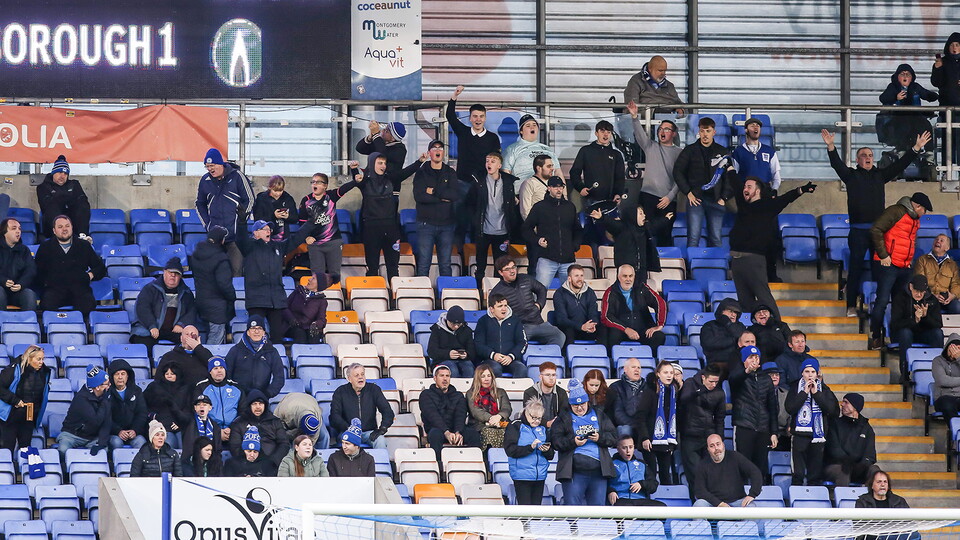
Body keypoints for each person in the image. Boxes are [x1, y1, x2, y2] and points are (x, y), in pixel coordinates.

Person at [821, 129, 932, 317]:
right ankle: (850, 305)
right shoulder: (851, 176)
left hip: (879, 234)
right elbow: (836, 165)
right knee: (855, 269)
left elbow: (900, 165)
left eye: (871, 155)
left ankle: (876, 305)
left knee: (880, 270)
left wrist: (916, 148)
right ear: (857, 160)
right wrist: (831, 146)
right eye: (863, 155)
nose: (868, 158)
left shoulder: (880, 175)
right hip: (857, 232)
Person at [730, 177, 816, 318]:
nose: (745, 189)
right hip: (736, 261)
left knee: (764, 297)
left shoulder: (767, 205)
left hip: (753, 260)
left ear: (757, 191)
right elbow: (735, 183)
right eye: (745, 186)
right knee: (744, 301)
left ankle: (778, 329)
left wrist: (801, 190)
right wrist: (730, 170)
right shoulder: (743, 205)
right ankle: (750, 334)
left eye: (749, 187)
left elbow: (785, 199)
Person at [869, 193, 934, 349]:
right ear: (918, 206)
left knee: (901, 305)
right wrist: (884, 255)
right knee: (882, 302)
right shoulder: (896, 211)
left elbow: (907, 242)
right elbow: (875, 230)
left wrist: (908, 261)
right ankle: (876, 337)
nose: (924, 214)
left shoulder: (914, 219)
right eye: (924, 210)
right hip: (887, 265)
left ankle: (897, 338)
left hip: (904, 267)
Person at [238, 219, 309, 342]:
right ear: (256, 233)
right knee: (256, 337)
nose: (268, 231)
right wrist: (241, 221)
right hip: (256, 300)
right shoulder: (249, 247)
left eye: (269, 229)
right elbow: (240, 238)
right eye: (264, 229)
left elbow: (297, 238)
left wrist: (311, 222)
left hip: (276, 301)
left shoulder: (278, 247)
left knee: (277, 337)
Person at [551, 378, 617, 506]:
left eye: (582, 404)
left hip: (598, 472)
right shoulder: (563, 418)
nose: (580, 408)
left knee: (598, 510)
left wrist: (599, 438)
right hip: (574, 472)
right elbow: (555, 441)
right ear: (570, 404)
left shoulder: (599, 414)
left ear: (587, 402)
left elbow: (613, 437)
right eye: (575, 405)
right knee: (572, 509)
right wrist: (573, 442)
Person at [732, 118, 785, 280]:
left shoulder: (769, 151)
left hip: (766, 200)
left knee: (770, 236)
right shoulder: (739, 152)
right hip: (748, 201)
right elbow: (734, 175)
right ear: (746, 130)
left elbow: (776, 175)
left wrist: (773, 191)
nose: (756, 128)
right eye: (752, 125)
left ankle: (771, 273)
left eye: (758, 126)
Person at [356, 152, 422, 281]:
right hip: (371, 228)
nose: (383, 166)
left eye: (384, 163)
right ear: (372, 164)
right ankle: (374, 294)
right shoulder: (365, 182)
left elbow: (406, 172)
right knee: (372, 266)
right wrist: (353, 170)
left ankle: (394, 296)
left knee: (393, 266)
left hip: (391, 228)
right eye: (380, 163)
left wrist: (419, 161)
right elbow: (357, 182)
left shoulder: (391, 179)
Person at [674, 117, 736, 248]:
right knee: (693, 238)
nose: (705, 134)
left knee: (716, 239)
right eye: (702, 131)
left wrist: (724, 197)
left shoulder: (723, 152)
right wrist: (688, 193)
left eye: (708, 131)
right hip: (696, 200)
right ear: (699, 132)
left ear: (714, 132)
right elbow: (677, 172)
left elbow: (730, 177)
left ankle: (717, 267)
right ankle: (691, 268)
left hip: (716, 200)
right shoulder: (690, 150)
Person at [627, 101, 682, 246]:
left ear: (674, 133)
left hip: (668, 200)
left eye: (667, 129)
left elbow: (681, 178)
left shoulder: (680, 153)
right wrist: (634, 117)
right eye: (660, 129)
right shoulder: (650, 146)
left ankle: (666, 265)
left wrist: (670, 197)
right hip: (647, 196)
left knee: (665, 235)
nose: (662, 132)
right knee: (645, 233)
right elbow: (640, 136)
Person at [196, 148, 254, 276]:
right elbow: (199, 204)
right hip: (215, 238)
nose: (210, 169)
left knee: (236, 272)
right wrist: (208, 225)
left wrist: (242, 221)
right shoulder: (205, 180)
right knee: (214, 273)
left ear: (220, 164)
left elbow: (250, 199)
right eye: (207, 166)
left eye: (212, 165)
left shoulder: (238, 176)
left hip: (235, 237)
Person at [34, 215, 106, 315]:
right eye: (60, 227)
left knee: (88, 305)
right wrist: (48, 281)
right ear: (54, 230)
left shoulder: (84, 246)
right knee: (47, 305)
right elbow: (37, 272)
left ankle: (82, 329)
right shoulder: (45, 247)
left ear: (72, 227)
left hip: (80, 289)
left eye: (67, 226)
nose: (64, 229)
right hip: (55, 290)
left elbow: (100, 268)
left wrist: (90, 275)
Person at [569, 120, 625, 247]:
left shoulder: (616, 154)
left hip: (611, 202)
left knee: (612, 236)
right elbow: (574, 172)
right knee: (592, 234)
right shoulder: (586, 151)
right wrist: (581, 187)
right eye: (602, 131)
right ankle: (593, 262)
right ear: (596, 133)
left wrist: (618, 194)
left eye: (608, 132)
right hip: (591, 200)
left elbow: (620, 178)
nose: (606, 134)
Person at [785, 358, 839, 486]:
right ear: (802, 373)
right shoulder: (794, 388)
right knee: (797, 474)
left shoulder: (824, 390)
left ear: (817, 373)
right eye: (807, 371)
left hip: (817, 437)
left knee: (814, 475)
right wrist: (804, 393)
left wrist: (816, 394)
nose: (810, 375)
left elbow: (831, 410)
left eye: (813, 372)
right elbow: (790, 408)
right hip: (799, 436)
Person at [490, 256, 566, 348]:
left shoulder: (525, 279)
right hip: (520, 326)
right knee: (515, 344)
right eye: (508, 269)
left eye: (514, 267)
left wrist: (539, 305)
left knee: (559, 335)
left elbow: (541, 289)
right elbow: (495, 314)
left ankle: (546, 359)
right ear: (500, 272)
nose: (512, 271)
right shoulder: (497, 291)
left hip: (538, 322)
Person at [728, 346, 779, 483]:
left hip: (763, 428)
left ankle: (759, 497)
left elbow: (772, 408)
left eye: (756, 357)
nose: (754, 360)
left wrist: (774, 432)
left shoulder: (766, 379)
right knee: (742, 466)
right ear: (744, 360)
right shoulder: (738, 375)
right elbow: (733, 380)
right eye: (751, 357)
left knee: (760, 468)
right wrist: (746, 371)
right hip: (744, 426)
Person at [468, 152, 520, 285]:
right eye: (487, 161)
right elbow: (471, 204)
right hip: (483, 231)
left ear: (499, 165)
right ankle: (479, 292)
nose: (489, 163)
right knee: (480, 266)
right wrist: (474, 221)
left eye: (492, 161)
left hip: (502, 231)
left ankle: (498, 292)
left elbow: (511, 206)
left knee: (501, 267)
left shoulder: (508, 182)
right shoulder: (478, 181)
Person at [297, 170, 359, 277]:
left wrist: (355, 181)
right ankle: (319, 293)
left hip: (333, 242)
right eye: (312, 182)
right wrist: (306, 237)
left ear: (325, 186)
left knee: (334, 274)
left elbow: (343, 189)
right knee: (317, 275)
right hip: (315, 243)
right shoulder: (306, 201)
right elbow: (302, 222)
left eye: (317, 182)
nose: (314, 184)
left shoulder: (331, 196)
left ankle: (334, 293)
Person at [523, 175, 583, 287]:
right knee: (540, 292)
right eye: (555, 187)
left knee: (570, 293)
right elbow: (526, 229)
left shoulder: (570, 207)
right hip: (546, 258)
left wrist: (575, 245)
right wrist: (537, 240)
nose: (559, 190)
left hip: (568, 259)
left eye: (561, 187)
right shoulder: (539, 207)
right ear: (549, 188)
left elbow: (577, 229)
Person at [413, 140, 460, 277]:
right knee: (423, 263)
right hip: (426, 224)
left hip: (447, 224)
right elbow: (419, 196)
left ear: (443, 153)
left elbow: (454, 195)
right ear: (429, 153)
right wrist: (442, 197)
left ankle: (446, 295)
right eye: (434, 148)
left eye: (440, 148)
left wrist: (432, 192)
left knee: (445, 264)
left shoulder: (450, 172)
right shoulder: (421, 172)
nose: (438, 150)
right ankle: (422, 296)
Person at [677, 363, 725, 494]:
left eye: (716, 382)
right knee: (694, 472)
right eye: (711, 381)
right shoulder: (690, 383)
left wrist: (719, 438)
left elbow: (720, 418)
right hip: (690, 436)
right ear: (703, 377)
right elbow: (683, 399)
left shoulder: (719, 393)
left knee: (709, 473)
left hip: (708, 437)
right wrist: (700, 391)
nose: (714, 385)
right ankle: (697, 501)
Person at [130, 257, 197, 349]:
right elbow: (143, 309)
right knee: (144, 345)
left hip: (173, 330)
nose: (173, 276)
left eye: (177, 274)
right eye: (170, 272)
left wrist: (181, 324)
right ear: (164, 272)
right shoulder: (149, 289)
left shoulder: (186, 293)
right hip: (149, 329)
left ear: (180, 277)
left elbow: (191, 312)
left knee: (188, 343)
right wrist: (152, 326)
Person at [600, 264, 666, 355]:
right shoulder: (610, 292)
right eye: (625, 276)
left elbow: (660, 303)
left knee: (659, 336)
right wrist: (625, 329)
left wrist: (659, 325)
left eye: (631, 276)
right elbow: (606, 317)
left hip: (642, 329)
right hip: (621, 331)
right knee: (612, 334)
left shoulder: (642, 288)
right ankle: (614, 365)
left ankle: (649, 363)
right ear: (618, 277)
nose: (628, 279)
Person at [878, 64, 939, 160]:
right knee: (903, 125)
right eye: (902, 74)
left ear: (912, 77)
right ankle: (901, 150)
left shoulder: (915, 87)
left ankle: (929, 152)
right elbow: (883, 98)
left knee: (926, 125)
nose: (905, 76)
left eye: (908, 74)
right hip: (898, 117)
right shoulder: (893, 87)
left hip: (916, 117)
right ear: (897, 77)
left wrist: (933, 96)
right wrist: (895, 97)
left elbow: (927, 94)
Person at [420, 365, 481, 460]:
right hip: (437, 429)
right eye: (441, 376)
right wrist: (446, 432)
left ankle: (474, 463)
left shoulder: (458, 395)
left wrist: (458, 432)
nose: (445, 379)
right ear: (435, 378)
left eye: (447, 376)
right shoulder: (426, 395)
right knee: (435, 435)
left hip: (455, 429)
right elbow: (432, 416)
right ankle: (439, 467)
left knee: (473, 435)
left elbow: (460, 415)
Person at [329, 364, 394, 450]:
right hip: (348, 432)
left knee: (380, 440)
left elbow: (387, 411)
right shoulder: (340, 391)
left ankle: (379, 463)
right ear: (349, 379)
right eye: (356, 375)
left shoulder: (373, 389)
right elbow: (334, 416)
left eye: (362, 374)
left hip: (369, 433)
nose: (361, 377)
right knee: (349, 442)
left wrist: (383, 428)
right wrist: (349, 428)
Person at [634, 361, 679, 484]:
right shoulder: (650, 391)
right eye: (665, 372)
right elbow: (640, 416)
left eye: (671, 373)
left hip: (667, 441)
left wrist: (673, 442)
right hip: (649, 439)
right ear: (658, 374)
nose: (669, 375)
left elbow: (675, 418)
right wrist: (644, 437)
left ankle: (666, 501)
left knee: (665, 474)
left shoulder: (674, 392)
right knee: (651, 474)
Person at [0, 345, 51, 454]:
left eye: (43, 359)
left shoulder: (44, 373)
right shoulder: (13, 370)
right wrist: (15, 400)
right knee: (7, 450)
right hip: (10, 417)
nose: (41, 362)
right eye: (38, 359)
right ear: (29, 358)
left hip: (29, 418)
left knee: (26, 451)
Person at [591, 204, 666, 279]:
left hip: (642, 271)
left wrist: (666, 219)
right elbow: (611, 223)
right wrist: (601, 217)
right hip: (625, 271)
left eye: (643, 213)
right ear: (632, 215)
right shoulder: (622, 227)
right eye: (640, 213)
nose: (644, 215)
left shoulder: (644, 229)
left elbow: (656, 225)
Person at [190, 226, 236, 345]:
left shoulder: (196, 254)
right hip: (217, 307)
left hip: (201, 301)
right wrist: (232, 297)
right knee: (215, 341)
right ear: (221, 240)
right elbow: (224, 284)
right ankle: (208, 362)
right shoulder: (221, 259)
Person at [504, 397, 555, 505]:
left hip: (540, 476)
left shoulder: (543, 429)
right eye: (534, 418)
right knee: (525, 510)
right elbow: (510, 450)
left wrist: (546, 450)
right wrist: (530, 447)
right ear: (526, 413)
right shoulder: (515, 426)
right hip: (522, 476)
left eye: (539, 418)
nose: (536, 421)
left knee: (536, 511)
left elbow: (551, 455)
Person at [447, 85, 502, 182]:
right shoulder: (463, 132)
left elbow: (496, 160)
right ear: (470, 118)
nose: (478, 119)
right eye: (475, 116)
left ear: (485, 118)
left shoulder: (492, 138)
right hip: (462, 181)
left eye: (481, 116)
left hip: (484, 182)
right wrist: (455, 95)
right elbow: (450, 115)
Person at [693, 434, 763, 507]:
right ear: (708, 449)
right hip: (714, 504)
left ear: (723, 444)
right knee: (698, 505)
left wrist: (752, 494)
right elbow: (700, 491)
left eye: (718, 444)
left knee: (751, 507)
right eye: (712, 446)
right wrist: (719, 504)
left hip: (738, 502)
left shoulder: (735, 457)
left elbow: (755, 472)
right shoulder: (702, 464)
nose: (716, 448)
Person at [891, 274, 943, 372]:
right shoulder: (900, 298)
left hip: (923, 334)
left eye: (922, 292)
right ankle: (905, 372)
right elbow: (895, 324)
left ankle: (937, 370)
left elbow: (938, 324)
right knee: (905, 333)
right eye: (916, 291)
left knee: (938, 333)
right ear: (911, 287)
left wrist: (925, 317)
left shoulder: (932, 300)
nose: (919, 294)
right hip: (904, 335)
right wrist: (914, 320)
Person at [225, 315, 285, 399]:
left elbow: (279, 378)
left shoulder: (272, 352)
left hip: (261, 399)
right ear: (248, 332)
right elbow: (227, 375)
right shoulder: (235, 351)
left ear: (264, 332)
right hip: (238, 398)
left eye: (259, 328)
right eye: (253, 328)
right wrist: (235, 393)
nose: (256, 332)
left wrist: (267, 394)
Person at [56, 365, 111, 457]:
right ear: (97, 387)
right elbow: (95, 421)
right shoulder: (81, 399)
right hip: (72, 435)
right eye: (107, 384)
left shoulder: (106, 397)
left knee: (102, 452)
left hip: (93, 437)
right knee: (63, 450)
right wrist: (105, 402)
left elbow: (107, 423)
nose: (109, 387)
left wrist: (101, 443)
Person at [825, 392, 876, 486]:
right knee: (843, 472)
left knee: (875, 471)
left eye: (846, 402)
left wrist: (863, 464)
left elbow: (870, 454)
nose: (842, 404)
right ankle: (844, 500)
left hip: (858, 468)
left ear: (855, 406)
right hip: (838, 466)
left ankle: (872, 500)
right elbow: (834, 449)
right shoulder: (835, 424)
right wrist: (847, 462)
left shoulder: (866, 428)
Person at [502, 115, 563, 193]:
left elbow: (558, 172)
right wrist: (511, 196)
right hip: (523, 193)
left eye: (534, 125)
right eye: (528, 125)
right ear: (521, 131)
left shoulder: (547, 149)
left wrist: (564, 196)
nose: (532, 127)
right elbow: (505, 174)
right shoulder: (512, 149)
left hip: (548, 194)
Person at [228, 390, 289, 467]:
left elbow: (284, 444)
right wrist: (250, 458)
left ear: (265, 405)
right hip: (246, 464)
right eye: (254, 404)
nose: (258, 407)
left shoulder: (274, 421)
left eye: (261, 403)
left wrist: (273, 461)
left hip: (271, 464)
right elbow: (235, 446)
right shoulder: (239, 423)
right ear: (249, 406)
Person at [36, 155, 92, 240]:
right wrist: (67, 198)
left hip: (74, 224)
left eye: (65, 174)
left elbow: (82, 200)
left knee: (82, 205)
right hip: (51, 226)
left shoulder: (74, 184)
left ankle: (82, 235)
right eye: (60, 172)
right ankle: (57, 236)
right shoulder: (43, 187)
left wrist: (60, 197)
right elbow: (46, 205)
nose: (62, 176)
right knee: (52, 206)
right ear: (53, 172)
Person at [474, 295, 528, 378]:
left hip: (511, 359)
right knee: (495, 369)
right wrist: (493, 355)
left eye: (505, 306)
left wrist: (511, 356)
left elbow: (522, 343)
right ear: (492, 309)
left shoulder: (515, 320)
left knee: (522, 369)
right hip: (490, 359)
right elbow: (478, 344)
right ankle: (496, 391)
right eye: (500, 306)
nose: (504, 309)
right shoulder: (483, 321)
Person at [552, 265, 604, 349]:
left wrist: (592, 324)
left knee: (603, 330)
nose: (580, 279)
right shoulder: (559, 294)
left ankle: (603, 359)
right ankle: (568, 359)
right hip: (570, 328)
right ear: (569, 278)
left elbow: (593, 313)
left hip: (587, 328)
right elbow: (561, 319)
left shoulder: (590, 292)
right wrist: (580, 326)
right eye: (576, 276)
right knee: (567, 331)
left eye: (581, 276)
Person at [196, 356, 244, 443]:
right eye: (215, 368)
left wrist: (231, 428)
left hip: (234, 430)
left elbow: (244, 412)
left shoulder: (236, 388)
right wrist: (217, 431)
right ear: (210, 371)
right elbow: (199, 413)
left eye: (221, 368)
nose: (219, 371)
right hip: (210, 430)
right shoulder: (201, 388)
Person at [355, 120, 409, 197]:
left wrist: (376, 135)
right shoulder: (380, 144)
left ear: (393, 138)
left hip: (389, 192)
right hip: (373, 189)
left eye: (386, 130)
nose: (382, 131)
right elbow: (360, 148)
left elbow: (382, 154)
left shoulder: (400, 149)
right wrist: (370, 137)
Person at [607, 435, 665, 506]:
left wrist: (642, 484)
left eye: (630, 447)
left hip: (641, 500)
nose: (628, 451)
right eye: (624, 448)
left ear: (634, 447)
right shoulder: (611, 464)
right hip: (621, 499)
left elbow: (653, 484)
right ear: (618, 449)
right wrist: (610, 491)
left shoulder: (642, 464)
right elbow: (602, 483)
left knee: (662, 507)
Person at [143, 361, 190, 449]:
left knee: (184, 447)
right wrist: (154, 417)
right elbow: (143, 405)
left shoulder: (185, 389)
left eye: (172, 373)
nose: (169, 375)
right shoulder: (154, 387)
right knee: (169, 444)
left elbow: (188, 410)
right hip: (160, 426)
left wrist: (179, 424)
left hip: (180, 426)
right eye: (166, 373)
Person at [931, 33, 960, 171]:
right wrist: (938, 69)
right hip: (946, 107)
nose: (954, 48)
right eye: (952, 45)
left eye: (957, 45)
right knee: (947, 140)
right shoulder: (942, 62)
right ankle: (945, 170)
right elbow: (936, 82)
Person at [466, 364, 512, 450]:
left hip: (500, 422)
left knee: (512, 430)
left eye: (488, 376)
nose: (486, 379)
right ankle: (489, 458)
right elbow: (476, 411)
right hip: (480, 424)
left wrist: (499, 416)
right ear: (478, 378)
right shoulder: (471, 393)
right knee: (489, 432)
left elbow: (507, 408)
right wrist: (491, 418)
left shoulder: (500, 392)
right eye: (483, 376)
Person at [155, 326, 214, 390]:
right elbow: (158, 379)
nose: (190, 337)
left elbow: (214, 366)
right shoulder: (169, 356)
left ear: (198, 339)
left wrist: (198, 348)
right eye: (187, 334)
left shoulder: (205, 353)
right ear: (181, 338)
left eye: (193, 335)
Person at [106, 359, 148, 450]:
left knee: (141, 442)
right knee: (116, 442)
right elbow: (105, 416)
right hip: (114, 434)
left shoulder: (137, 391)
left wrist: (135, 430)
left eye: (123, 374)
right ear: (112, 377)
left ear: (128, 376)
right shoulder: (106, 393)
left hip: (133, 433)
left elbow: (142, 413)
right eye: (117, 374)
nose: (120, 377)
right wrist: (118, 431)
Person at [427, 305, 478, 378]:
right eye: (453, 324)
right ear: (447, 320)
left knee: (469, 369)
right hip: (442, 360)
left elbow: (472, 351)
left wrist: (466, 355)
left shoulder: (467, 330)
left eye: (459, 324)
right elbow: (431, 351)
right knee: (452, 370)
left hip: (462, 360)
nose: (456, 327)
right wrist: (448, 354)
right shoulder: (437, 330)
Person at [915, 234, 960, 314]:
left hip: (946, 299)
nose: (938, 241)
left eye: (941, 240)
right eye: (936, 239)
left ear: (947, 248)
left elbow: (956, 284)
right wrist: (933, 295)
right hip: (928, 297)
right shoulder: (922, 260)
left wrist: (952, 296)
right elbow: (919, 281)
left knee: (957, 307)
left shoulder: (952, 265)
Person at [283, 272, 330, 344]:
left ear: (319, 284)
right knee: (300, 334)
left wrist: (316, 324)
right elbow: (285, 306)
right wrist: (291, 319)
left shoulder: (322, 301)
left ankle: (313, 354)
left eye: (313, 278)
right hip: (292, 325)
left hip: (308, 327)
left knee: (314, 334)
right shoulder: (298, 292)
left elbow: (322, 319)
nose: (309, 280)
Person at [0, 218, 36, 311]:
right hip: (1, 288)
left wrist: (21, 284)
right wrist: (3, 280)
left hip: (18, 290)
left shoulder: (24, 250)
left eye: (19, 229)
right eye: (14, 228)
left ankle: (28, 325)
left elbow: (31, 270)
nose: (18, 231)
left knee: (29, 295)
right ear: (4, 232)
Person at [701, 298, 746, 368]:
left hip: (737, 366)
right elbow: (709, 344)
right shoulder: (709, 326)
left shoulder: (740, 326)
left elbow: (743, 341)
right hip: (715, 366)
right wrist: (734, 340)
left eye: (736, 312)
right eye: (730, 311)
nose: (733, 315)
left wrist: (729, 324)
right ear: (721, 311)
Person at [607, 358, 646, 437]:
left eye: (639, 368)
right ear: (625, 369)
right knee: (625, 429)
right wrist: (635, 425)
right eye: (633, 367)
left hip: (644, 425)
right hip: (626, 424)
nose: (637, 370)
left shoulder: (647, 387)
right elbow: (618, 413)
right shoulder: (616, 387)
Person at [522, 362, 569, 428]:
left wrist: (556, 423)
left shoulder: (561, 393)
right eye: (548, 375)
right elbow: (528, 416)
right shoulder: (530, 392)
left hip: (557, 428)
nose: (551, 378)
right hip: (536, 427)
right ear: (540, 377)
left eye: (553, 375)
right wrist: (546, 423)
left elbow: (565, 414)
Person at [180, 393, 221, 468]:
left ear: (210, 408)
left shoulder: (215, 426)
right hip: (191, 462)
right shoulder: (188, 421)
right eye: (198, 404)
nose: (201, 406)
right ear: (195, 408)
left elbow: (217, 448)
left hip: (210, 463)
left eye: (205, 404)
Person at [252, 175, 298, 242]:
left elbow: (295, 218)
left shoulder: (288, 198)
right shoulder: (261, 199)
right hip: (265, 238)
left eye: (280, 191)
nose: (278, 194)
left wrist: (288, 216)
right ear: (269, 188)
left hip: (283, 237)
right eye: (275, 191)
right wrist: (273, 216)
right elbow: (258, 219)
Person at [518, 155, 563, 222]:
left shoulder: (554, 182)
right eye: (549, 166)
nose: (552, 169)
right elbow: (525, 210)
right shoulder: (529, 183)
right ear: (539, 168)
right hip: (539, 225)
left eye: (552, 166)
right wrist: (534, 228)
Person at [934, 334, 960, 419]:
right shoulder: (938, 361)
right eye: (952, 348)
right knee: (947, 405)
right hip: (944, 397)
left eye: (958, 348)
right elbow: (942, 380)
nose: (954, 351)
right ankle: (954, 429)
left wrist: (958, 358)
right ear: (947, 347)